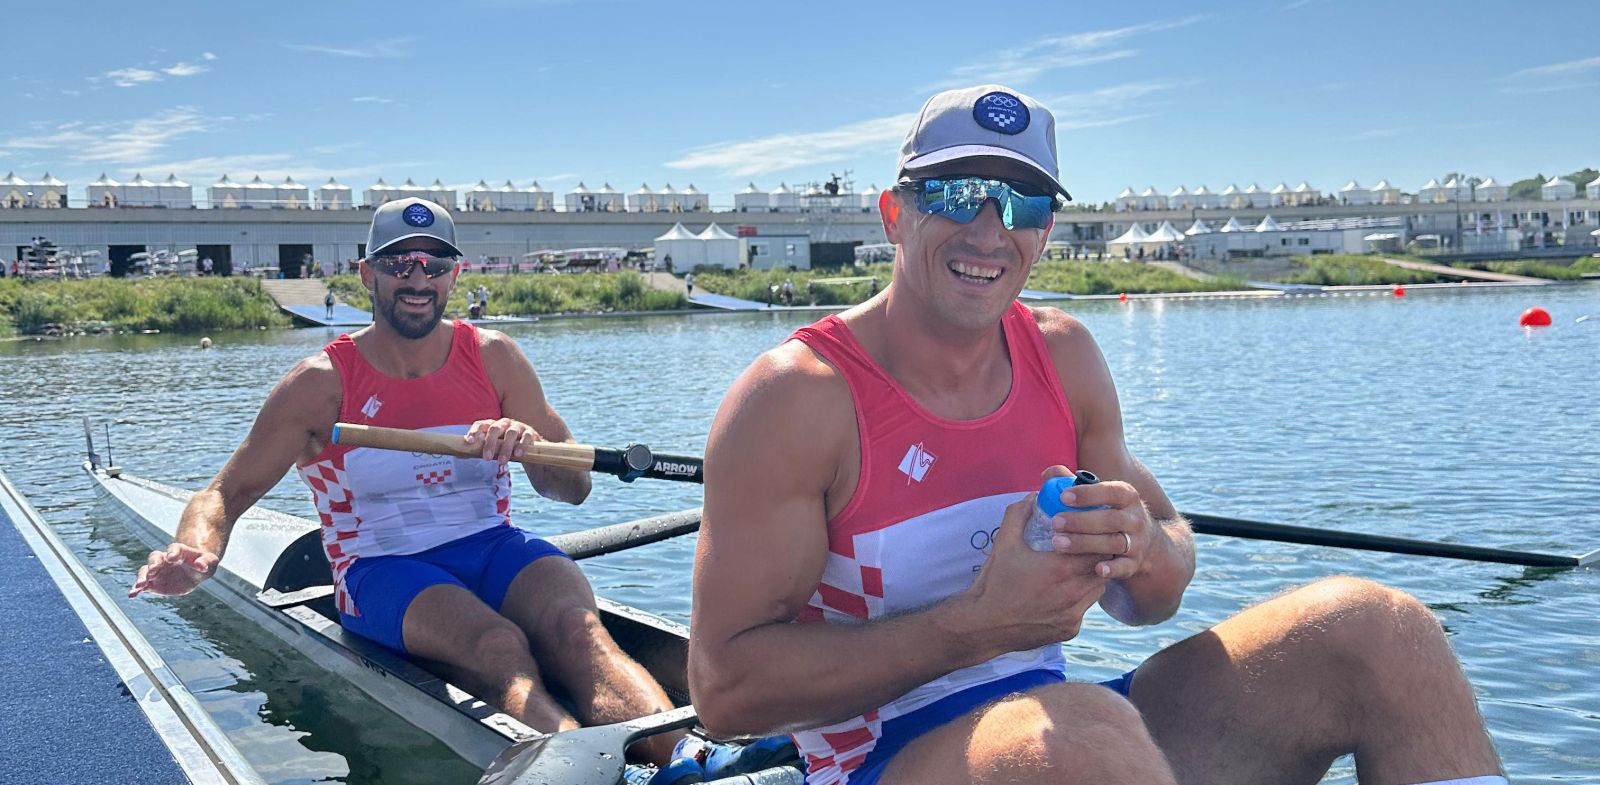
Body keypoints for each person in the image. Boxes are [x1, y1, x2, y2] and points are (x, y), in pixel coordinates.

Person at [689, 85, 1505, 785]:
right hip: (881, 757)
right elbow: (725, 690)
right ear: (894, 214)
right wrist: (973, 625)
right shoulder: (797, 399)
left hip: (1075, 739)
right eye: (955, 194)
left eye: (1023, 204)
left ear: (1045, 232)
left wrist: (1143, 546)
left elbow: (1159, 584)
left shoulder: (1064, 355)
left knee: (1381, 628)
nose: (988, 229)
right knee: (1079, 731)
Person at [128, 198, 726, 784]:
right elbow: (223, 495)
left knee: (579, 629)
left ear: (453, 276)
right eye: (397, 264)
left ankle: (688, 762)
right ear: (367, 274)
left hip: (494, 546)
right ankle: (591, 770)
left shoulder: (495, 360)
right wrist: (197, 547)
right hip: (381, 566)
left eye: (434, 265)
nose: (417, 279)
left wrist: (529, 445)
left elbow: (572, 490)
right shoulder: (319, 385)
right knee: (497, 647)